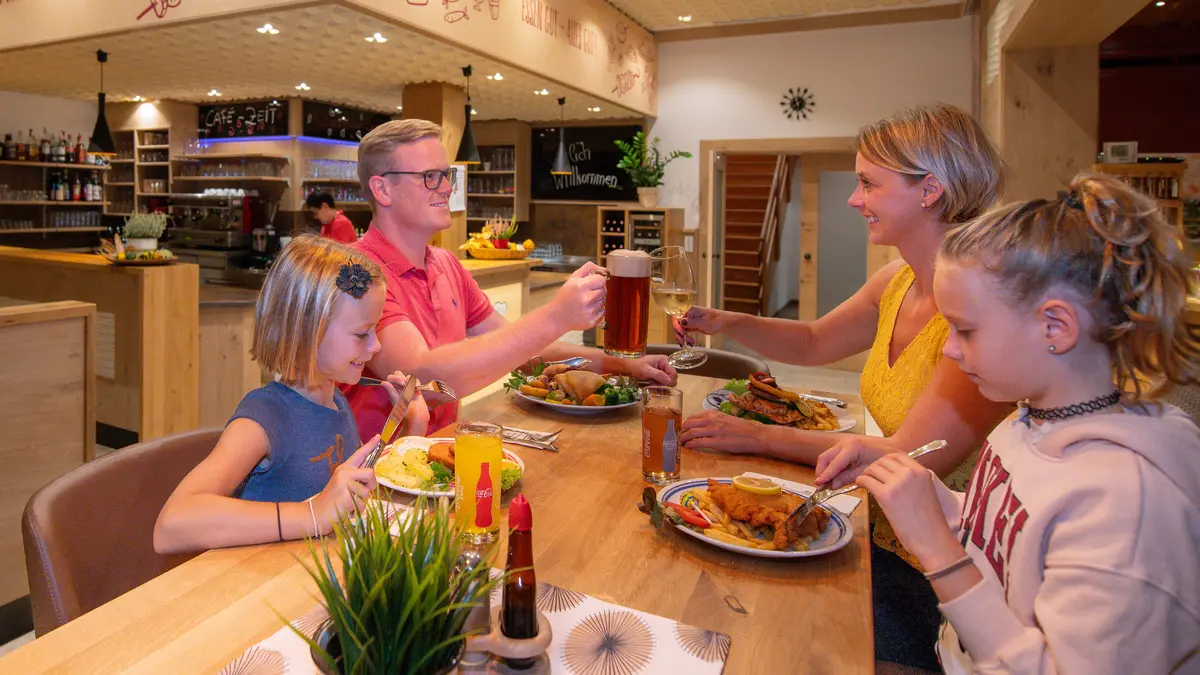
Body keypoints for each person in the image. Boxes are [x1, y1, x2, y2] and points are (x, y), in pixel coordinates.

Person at [816, 173, 1200, 674]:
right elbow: (1006, 537)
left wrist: (937, 549)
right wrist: (932, 495)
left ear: (1055, 327)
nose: (949, 349)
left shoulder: (1129, 502)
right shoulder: (1023, 423)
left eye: (966, 330)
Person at [342, 119, 676, 439]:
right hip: (374, 478)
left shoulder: (446, 264)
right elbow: (422, 378)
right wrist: (556, 315)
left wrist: (619, 364)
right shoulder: (356, 271)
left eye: (446, 175)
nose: (446, 188)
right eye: (430, 176)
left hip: (436, 456)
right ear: (382, 189)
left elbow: (522, 350)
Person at [154, 235, 428, 554]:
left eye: (375, 330)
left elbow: (350, 498)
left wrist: (412, 427)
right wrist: (311, 515)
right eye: (360, 334)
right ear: (308, 331)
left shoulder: (337, 400)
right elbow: (171, 526)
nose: (375, 346)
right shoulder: (265, 417)